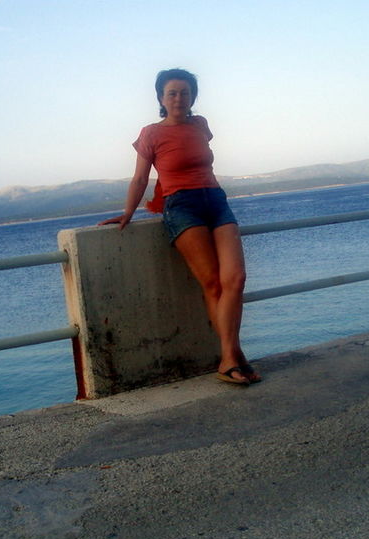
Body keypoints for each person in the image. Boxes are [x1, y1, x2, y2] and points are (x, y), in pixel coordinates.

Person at [99, 68, 260, 385]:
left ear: (193, 97)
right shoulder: (151, 134)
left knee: (236, 278)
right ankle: (231, 357)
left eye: (185, 93)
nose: (178, 98)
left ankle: (231, 355)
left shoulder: (201, 125)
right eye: (171, 93)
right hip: (181, 206)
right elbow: (140, 178)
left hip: (216, 200)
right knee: (213, 284)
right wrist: (128, 212)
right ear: (161, 98)